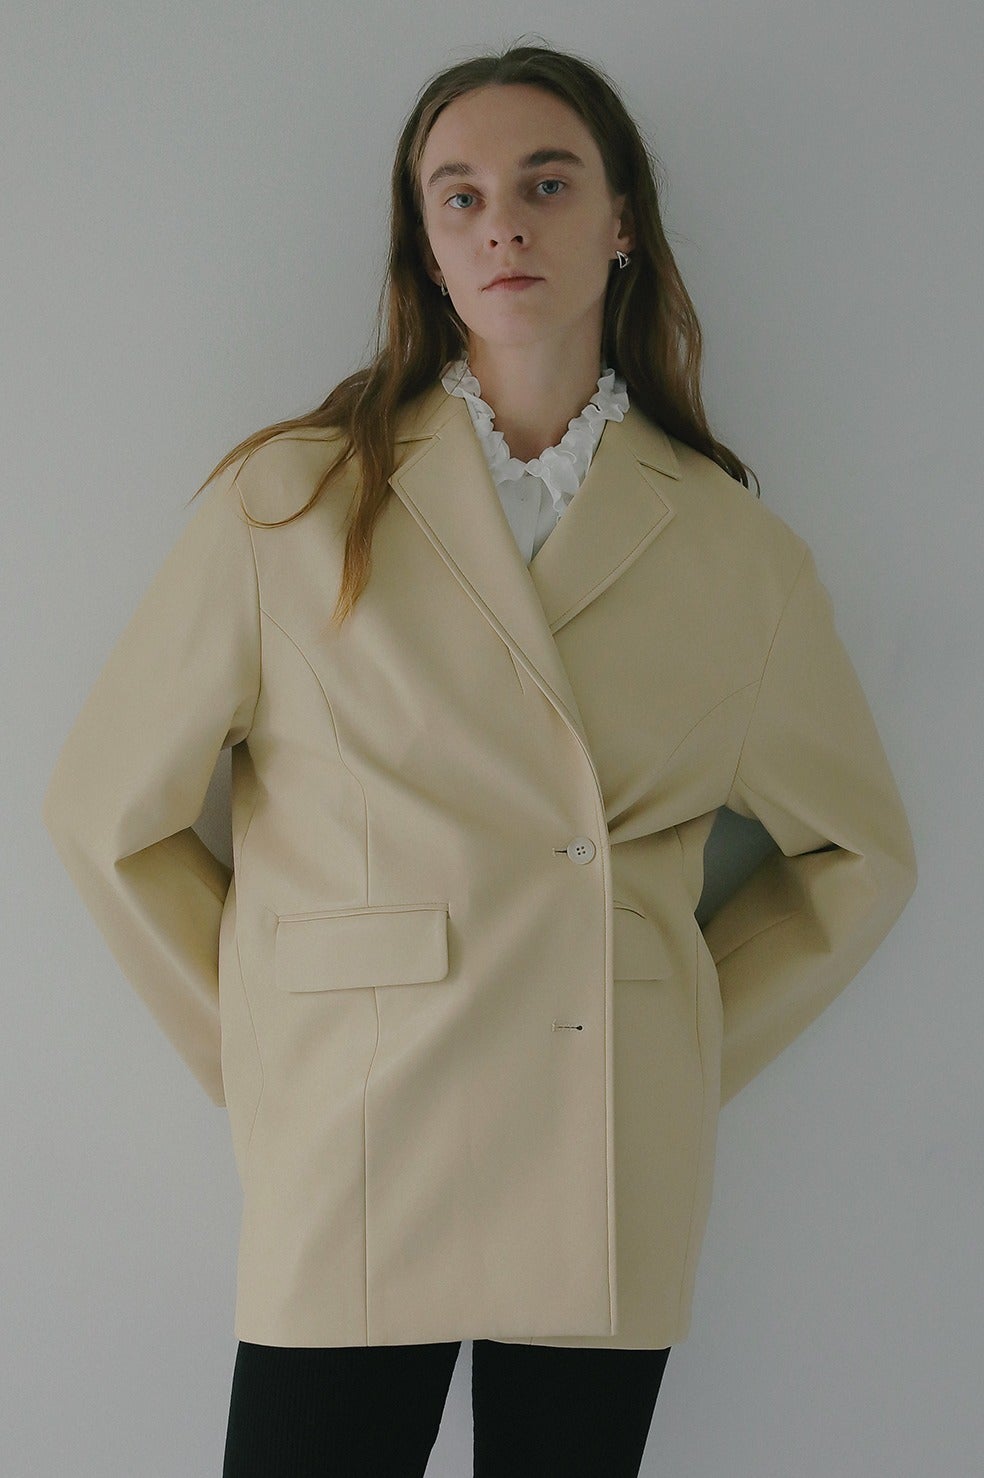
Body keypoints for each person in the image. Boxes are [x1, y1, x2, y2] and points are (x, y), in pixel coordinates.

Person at [41, 38, 917, 1478]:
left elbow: (861, 856)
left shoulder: (735, 552)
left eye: (545, 183)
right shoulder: (294, 502)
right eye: (459, 195)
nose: (502, 222)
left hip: (601, 1145)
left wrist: (670, 1049)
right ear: (428, 247)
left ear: (621, 220)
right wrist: (275, 1054)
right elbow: (103, 814)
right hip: (360, 1128)